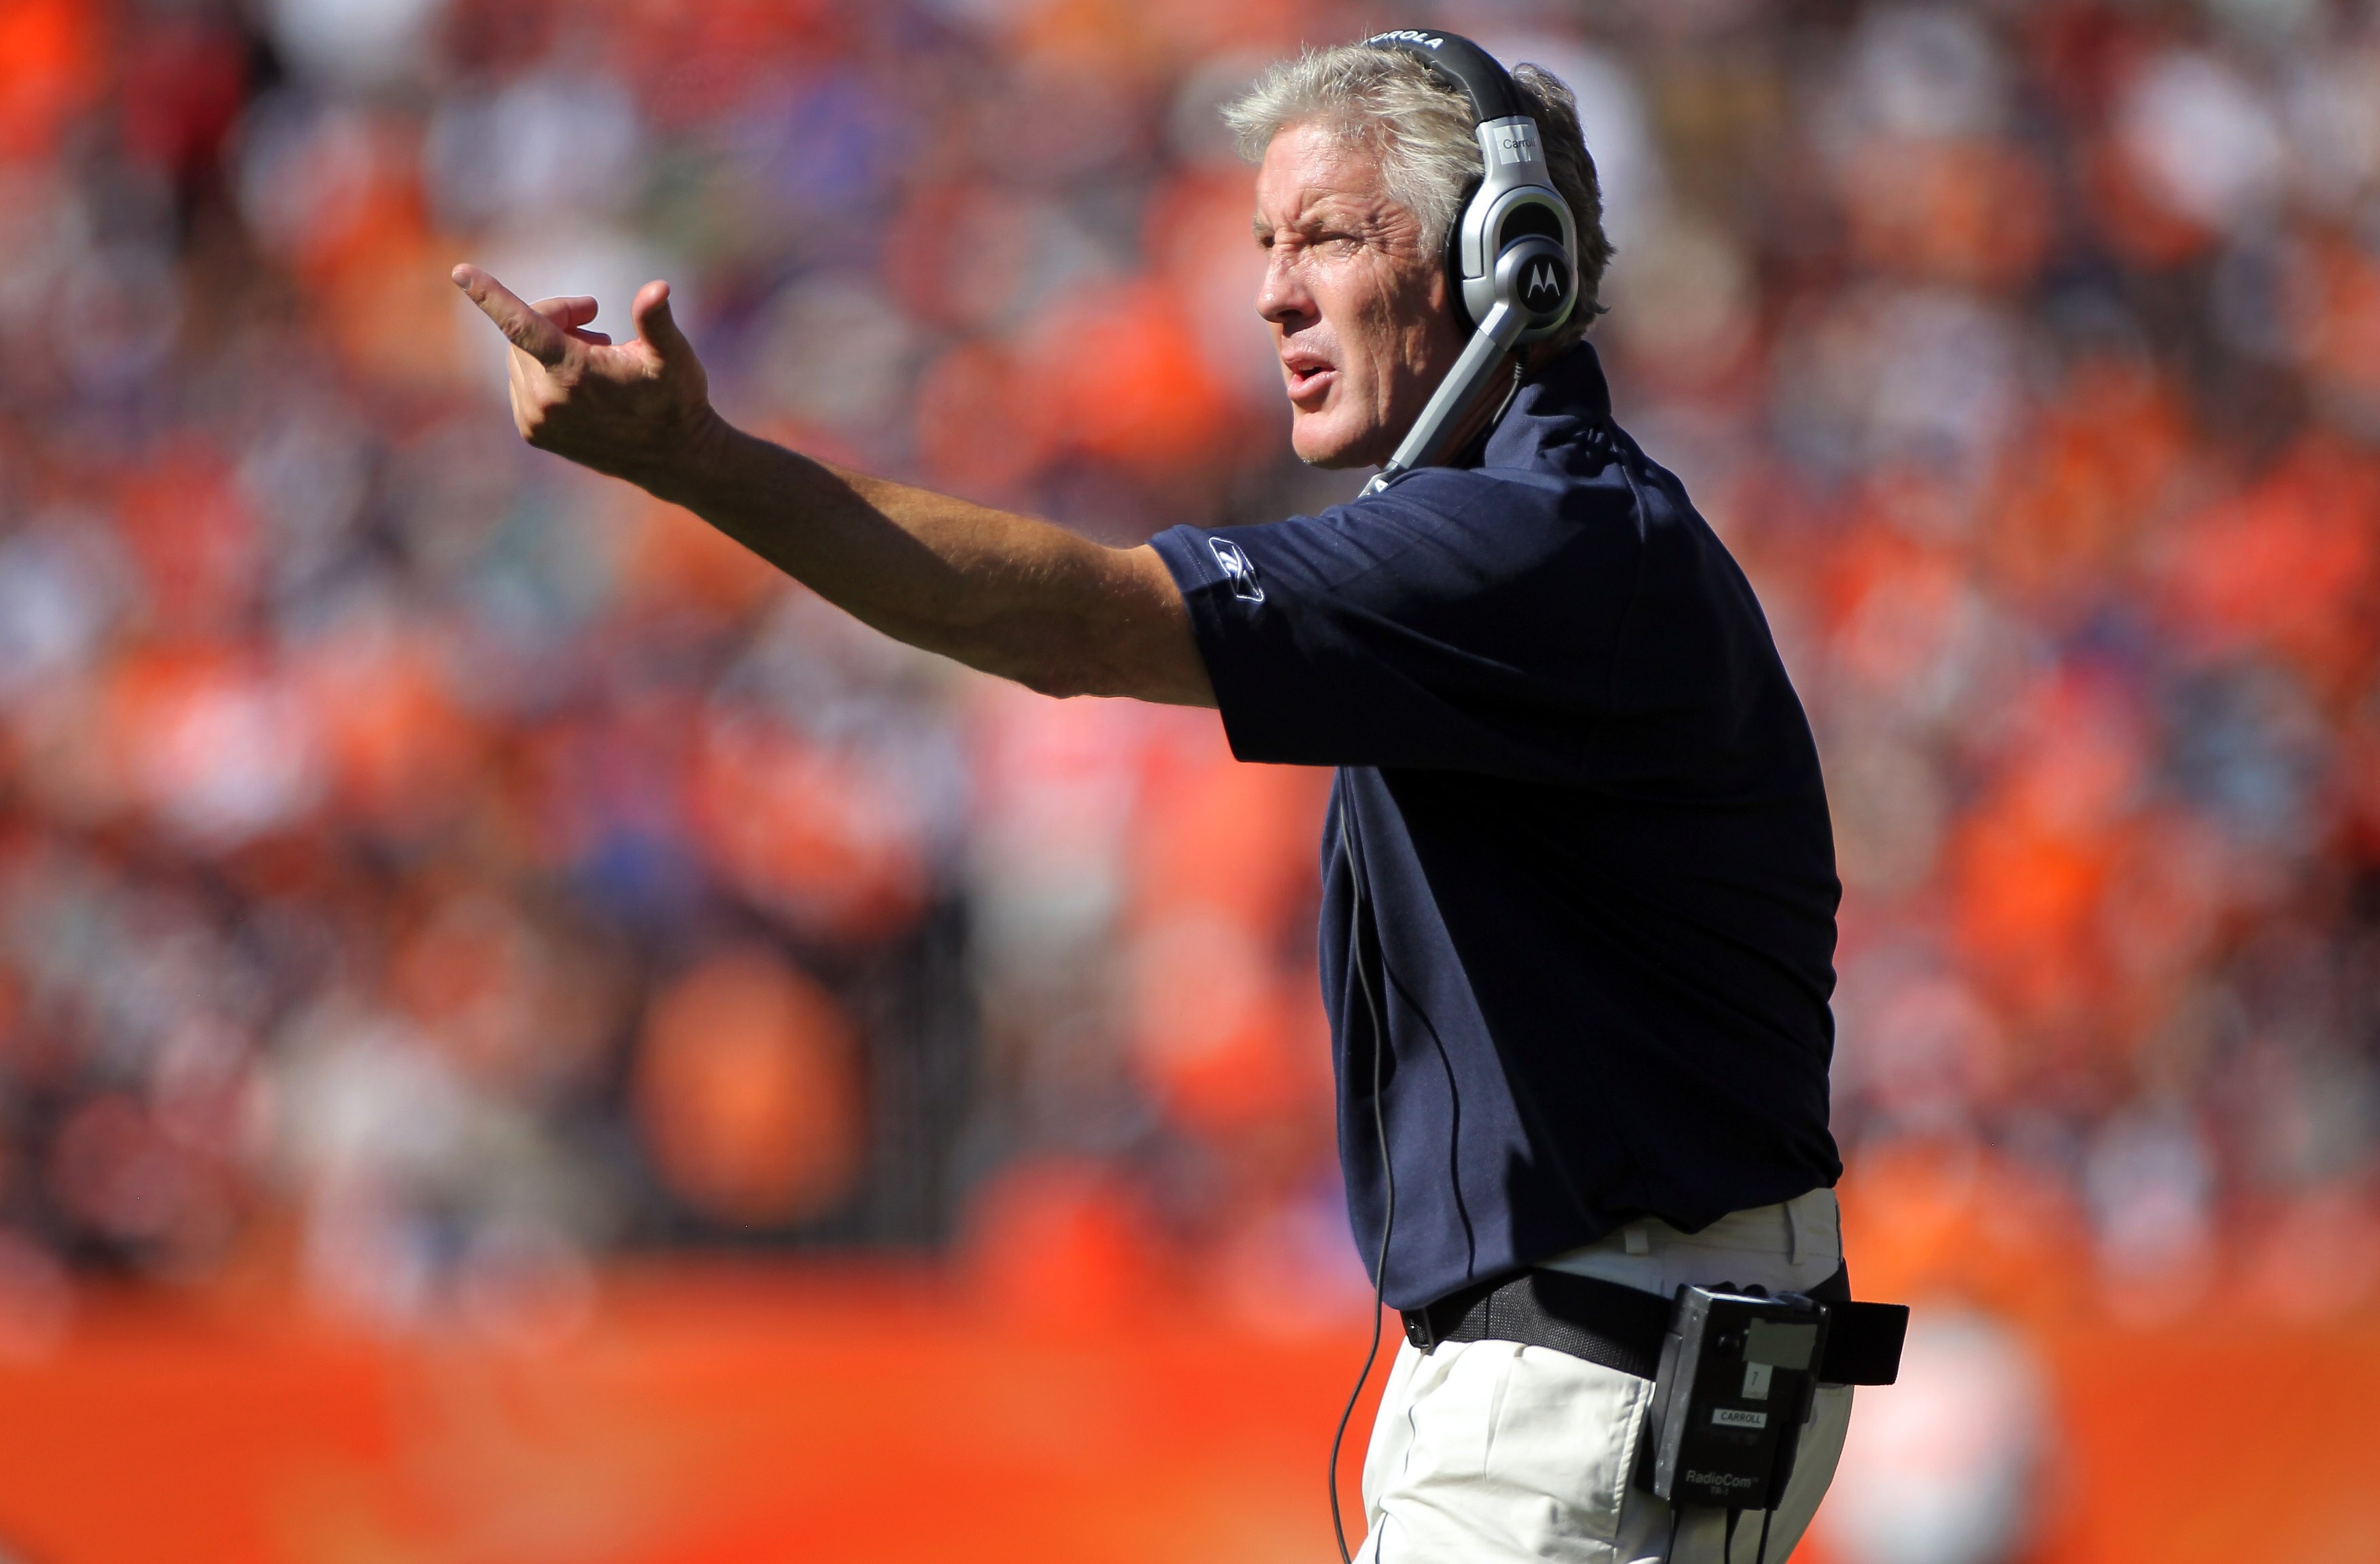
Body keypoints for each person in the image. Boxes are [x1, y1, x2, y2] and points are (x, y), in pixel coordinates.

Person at [453, 36, 1851, 1564]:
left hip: (1584, 1385)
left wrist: (695, 463)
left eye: (1324, 234)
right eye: (1265, 243)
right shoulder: (1578, 535)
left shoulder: (1535, 544)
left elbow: (1073, 623)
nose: (1269, 292)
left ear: (1500, 254)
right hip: (1629, 1362)